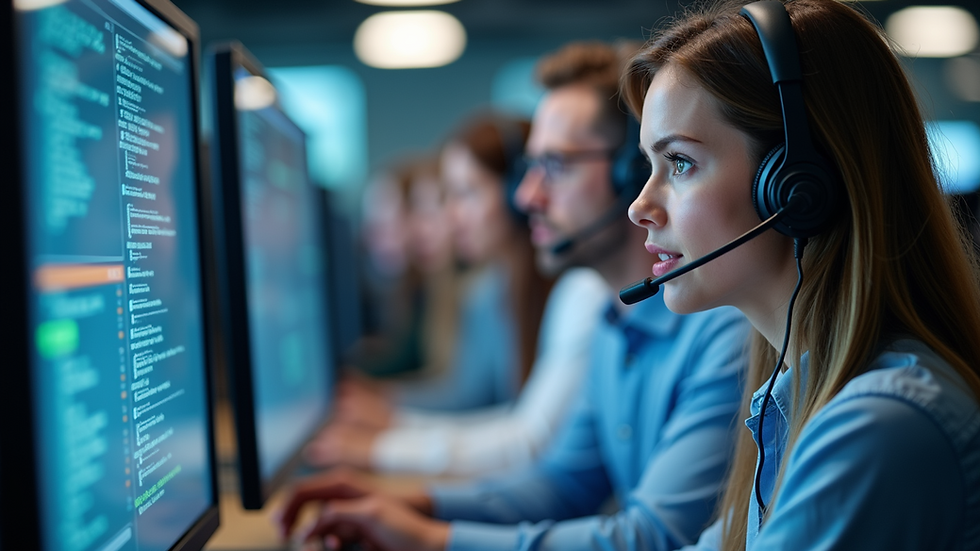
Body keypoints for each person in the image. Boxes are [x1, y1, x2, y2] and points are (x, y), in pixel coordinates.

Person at [277, 41, 750, 551]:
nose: (526, 197)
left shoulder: (724, 330)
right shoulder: (614, 321)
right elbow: (561, 483)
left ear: (628, 173)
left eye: (556, 166)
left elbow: (654, 537)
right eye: (530, 168)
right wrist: (413, 506)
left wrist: (432, 540)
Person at [619, 0, 980, 548]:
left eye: (681, 163)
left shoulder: (880, 426)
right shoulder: (798, 398)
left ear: (796, 186)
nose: (640, 207)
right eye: (652, 165)